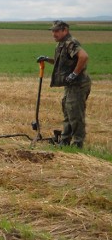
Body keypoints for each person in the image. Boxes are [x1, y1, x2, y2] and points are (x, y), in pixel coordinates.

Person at [37, 20, 91, 148]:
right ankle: (65, 141)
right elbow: (59, 61)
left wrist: (74, 74)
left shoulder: (70, 42)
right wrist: (46, 59)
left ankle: (78, 144)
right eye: (52, 31)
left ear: (65, 30)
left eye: (56, 31)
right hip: (70, 85)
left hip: (78, 84)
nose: (53, 34)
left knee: (75, 114)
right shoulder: (61, 45)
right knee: (67, 112)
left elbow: (83, 56)